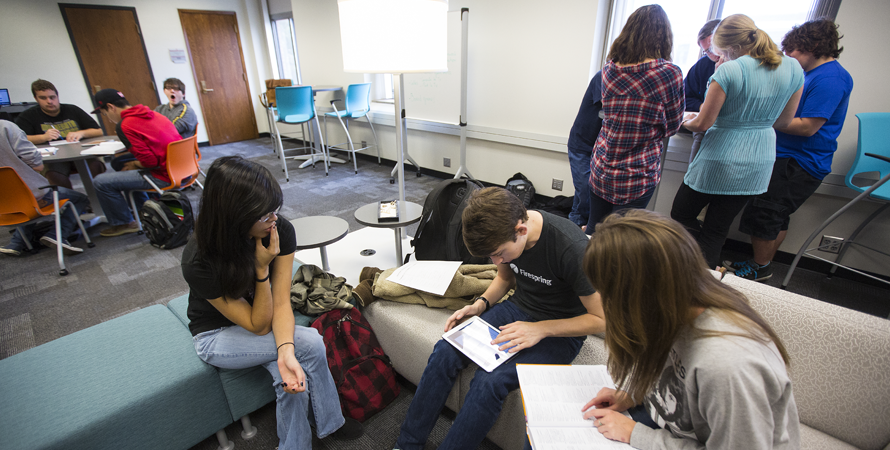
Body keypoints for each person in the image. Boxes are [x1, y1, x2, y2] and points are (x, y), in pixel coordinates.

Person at [395, 187, 605, 450]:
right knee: (445, 350)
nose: (496, 260)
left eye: (499, 253)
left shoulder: (572, 248)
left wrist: (540, 329)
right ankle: (407, 444)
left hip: (562, 331)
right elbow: (504, 278)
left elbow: (601, 319)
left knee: (489, 381)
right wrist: (480, 304)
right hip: (518, 308)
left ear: (521, 230)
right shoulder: (504, 234)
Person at [181, 156, 362, 449]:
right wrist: (261, 270)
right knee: (312, 341)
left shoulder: (279, 231)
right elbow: (258, 324)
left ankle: (308, 437)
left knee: (288, 376)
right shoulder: (198, 260)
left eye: (274, 211)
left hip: (259, 323)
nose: (274, 219)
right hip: (216, 335)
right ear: (235, 217)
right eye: (264, 215)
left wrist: (285, 352)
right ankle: (331, 421)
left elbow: (280, 306)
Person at [580, 209, 800, 449]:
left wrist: (637, 435)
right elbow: (671, 375)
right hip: (670, 425)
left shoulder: (729, 366)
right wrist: (633, 394)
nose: (607, 303)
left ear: (641, 293)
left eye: (610, 293)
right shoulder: (674, 308)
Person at [670, 14, 805, 269]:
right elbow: (784, 121)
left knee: (681, 214)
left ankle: (681, 268)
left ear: (731, 48)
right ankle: (704, 286)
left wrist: (682, 120)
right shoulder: (793, 67)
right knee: (717, 230)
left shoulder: (730, 70)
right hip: (760, 158)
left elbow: (703, 123)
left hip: (720, 155)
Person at [724, 19, 853, 281]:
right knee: (776, 216)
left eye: (793, 50)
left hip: (799, 162)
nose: (789, 56)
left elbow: (807, 127)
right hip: (789, 157)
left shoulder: (831, 78)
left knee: (765, 213)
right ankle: (761, 263)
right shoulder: (810, 73)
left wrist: (760, 119)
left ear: (813, 46)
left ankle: (760, 269)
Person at [585, 4, 685, 232]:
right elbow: (672, 126)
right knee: (623, 239)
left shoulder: (610, 69)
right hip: (636, 174)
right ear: (664, 37)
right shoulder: (669, 73)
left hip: (602, 166)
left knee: (594, 229)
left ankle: (585, 267)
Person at [90, 88, 179, 237]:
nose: (108, 118)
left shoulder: (125, 125)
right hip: (182, 167)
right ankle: (143, 208)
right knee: (120, 162)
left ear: (111, 107)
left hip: (162, 175)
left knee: (100, 182)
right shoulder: (154, 114)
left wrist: (135, 164)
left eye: (105, 114)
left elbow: (149, 162)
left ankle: (123, 222)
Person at [0, 120, 90, 256]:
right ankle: (56, 235)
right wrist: (36, 165)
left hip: (5, 205)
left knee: (23, 200)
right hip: (32, 199)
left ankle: (16, 243)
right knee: (80, 199)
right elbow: (33, 159)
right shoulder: (6, 127)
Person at [14, 79, 106, 189]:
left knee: (96, 166)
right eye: (43, 98)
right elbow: (19, 139)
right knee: (54, 175)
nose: (49, 101)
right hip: (54, 158)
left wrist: (82, 133)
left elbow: (99, 131)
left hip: (82, 153)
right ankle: (74, 202)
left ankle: (100, 198)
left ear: (57, 96)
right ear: (36, 99)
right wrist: (43, 137)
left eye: (52, 97)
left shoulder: (72, 110)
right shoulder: (28, 116)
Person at [567, 71, 603, 227]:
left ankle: (575, 223)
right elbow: (611, 107)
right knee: (585, 191)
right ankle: (580, 227)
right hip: (581, 144)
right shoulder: (605, 76)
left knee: (583, 194)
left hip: (600, 148)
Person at [684, 19, 721, 163]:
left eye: (714, 48)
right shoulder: (702, 66)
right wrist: (703, 107)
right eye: (707, 52)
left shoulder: (739, 67)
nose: (713, 55)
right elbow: (685, 97)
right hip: (705, 129)